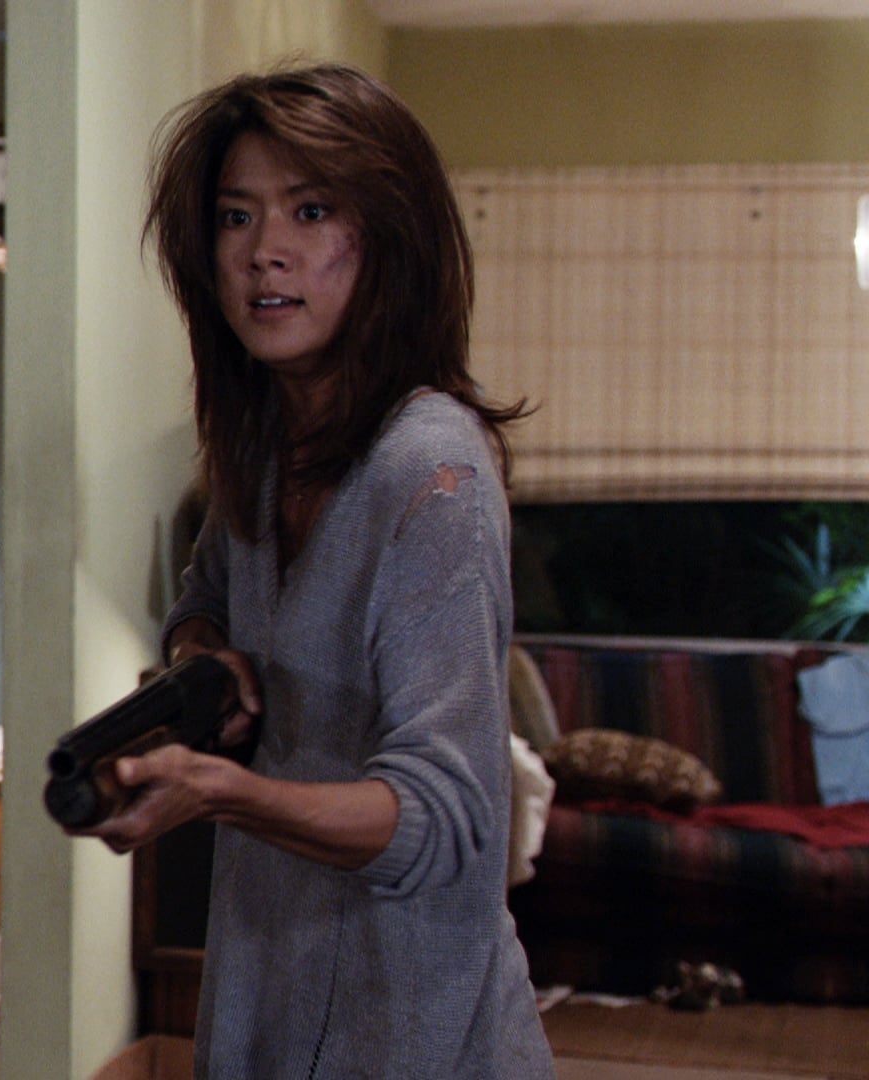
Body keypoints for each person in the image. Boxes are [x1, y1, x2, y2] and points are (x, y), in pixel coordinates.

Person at [85, 63, 556, 1076]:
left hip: (412, 1029)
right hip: (266, 993)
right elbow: (203, 604)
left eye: (310, 210)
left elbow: (444, 819)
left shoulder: (431, 472)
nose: (265, 250)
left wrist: (221, 790)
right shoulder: (261, 447)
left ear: (389, 240)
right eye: (236, 216)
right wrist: (205, 661)